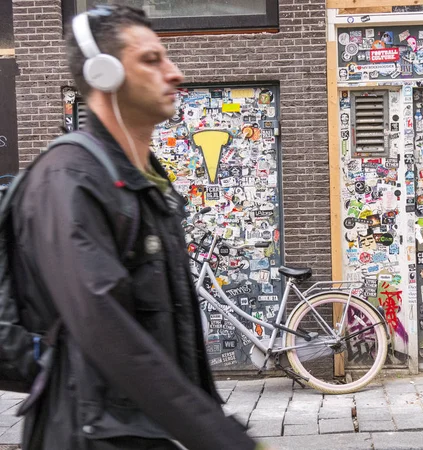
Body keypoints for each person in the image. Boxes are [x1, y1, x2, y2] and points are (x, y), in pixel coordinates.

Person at [9, 5, 259, 450]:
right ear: (104, 74)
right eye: (151, 60)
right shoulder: (68, 179)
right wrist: (218, 438)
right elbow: (108, 331)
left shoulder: (143, 182)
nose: (175, 73)